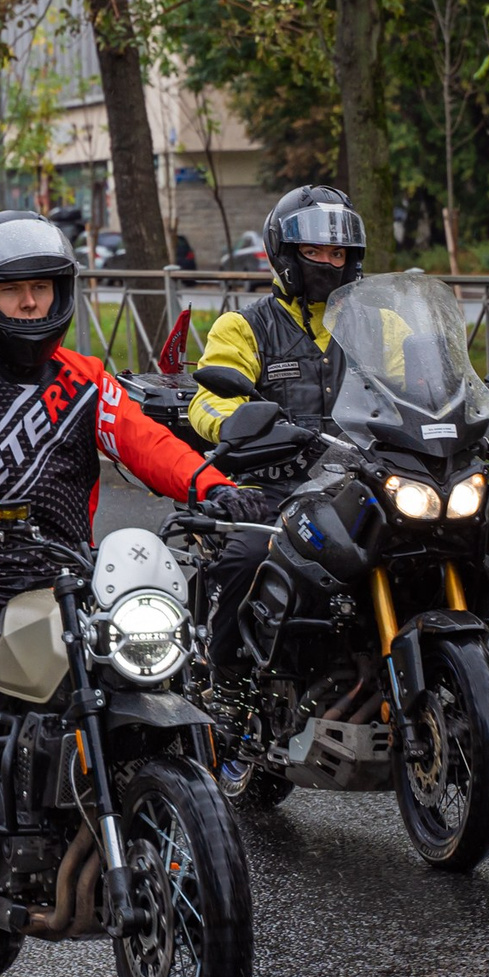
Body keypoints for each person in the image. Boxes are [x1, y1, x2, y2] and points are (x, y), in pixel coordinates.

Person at [0, 210, 275, 890]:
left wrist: (212, 486)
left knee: (157, 653)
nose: (30, 302)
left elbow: (143, 440)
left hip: (67, 575)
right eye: (12, 290)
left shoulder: (84, 379)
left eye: (42, 286)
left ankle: (161, 791)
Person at [183, 185, 367, 671]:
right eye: (314, 251)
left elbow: (420, 388)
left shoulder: (380, 326)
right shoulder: (243, 327)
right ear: (286, 255)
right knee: (246, 556)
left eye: (338, 252)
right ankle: (225, 678)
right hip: (274, 486)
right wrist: (237, 426)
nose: (328, 262)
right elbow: (210, 399)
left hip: (362, 485)